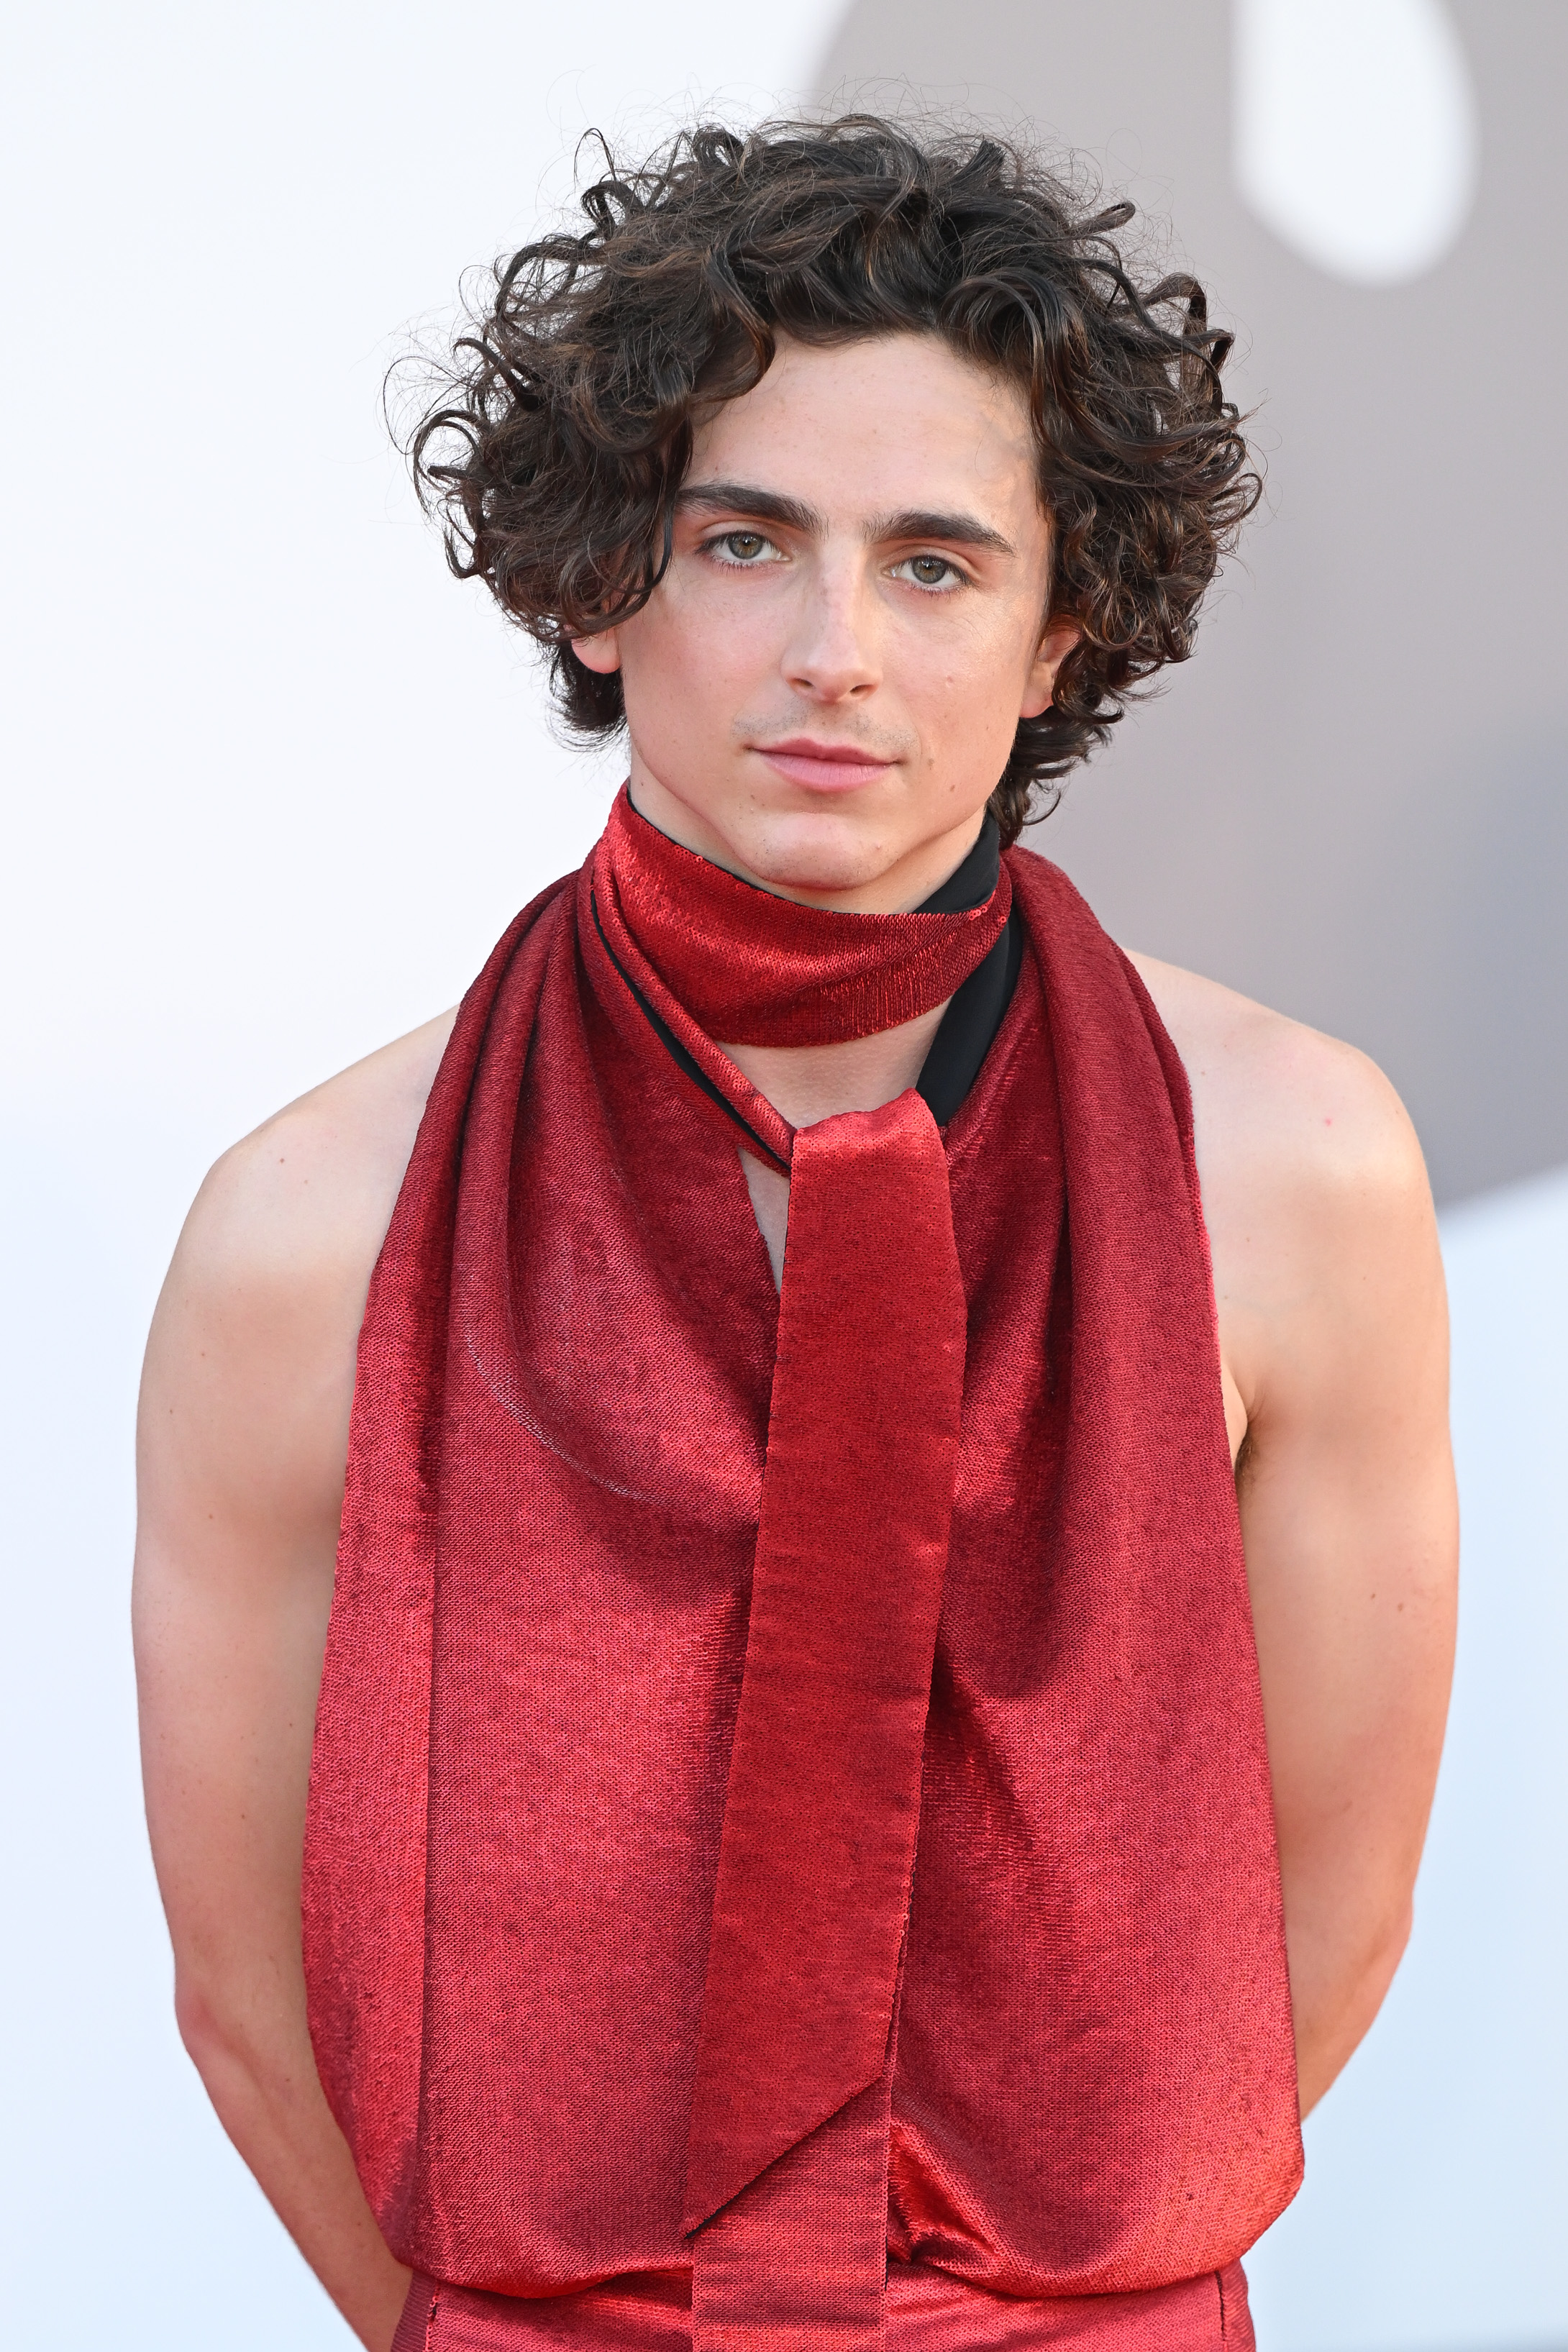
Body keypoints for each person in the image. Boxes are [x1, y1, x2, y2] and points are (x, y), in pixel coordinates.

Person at [133, 117, 1458, 2352]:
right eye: (748, 541)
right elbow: (251, 1997)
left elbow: (1324, 1920)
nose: (834, 648)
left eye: (934, 563)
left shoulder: (1296, 1165)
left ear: (1063, 633)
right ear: (596, 578)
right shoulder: (309, 1226)